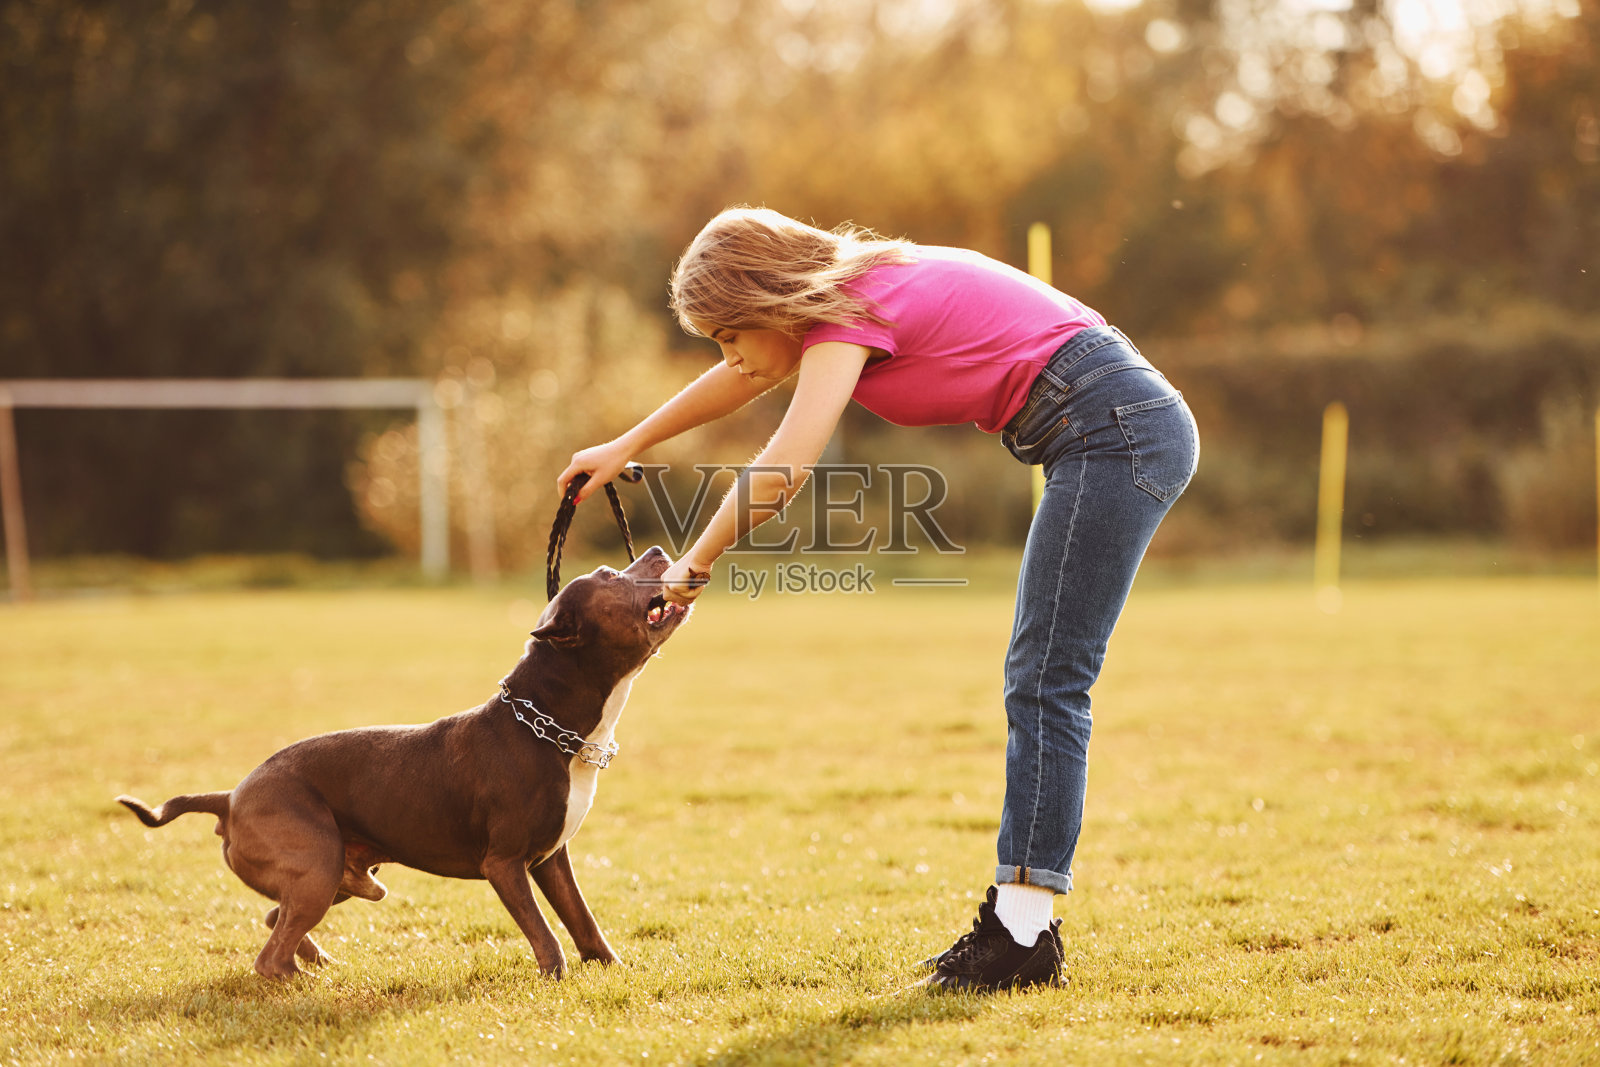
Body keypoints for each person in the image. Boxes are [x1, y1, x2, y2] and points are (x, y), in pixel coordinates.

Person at [557, 206, 1199, 991]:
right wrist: (627, 444)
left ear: (769, 302)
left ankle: (1022, 935)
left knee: (1047, 677)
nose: (731, 358)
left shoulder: (850, 315)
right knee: (1043, 674)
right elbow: (744, 375)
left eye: (730, 334)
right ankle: (1020, 925)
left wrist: (693, 563)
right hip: (1109, 419)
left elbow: (786, 465)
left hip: (1114, 428)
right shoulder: (853, 294)